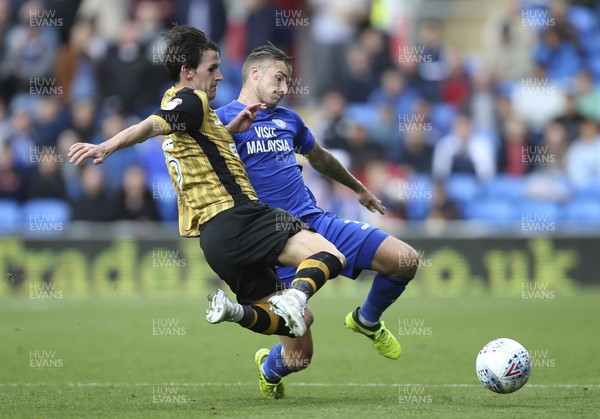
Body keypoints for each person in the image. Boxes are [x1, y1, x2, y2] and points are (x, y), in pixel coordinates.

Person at [68, 25, 346, 344]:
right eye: (212, 68)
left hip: (214, 241)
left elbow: (195, 145)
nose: (220, 76)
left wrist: (227, 130)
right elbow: (153, 124)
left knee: (296, 323)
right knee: (330, 255)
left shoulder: (188, 110)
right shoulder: (192, 101)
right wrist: (106, 146)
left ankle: (233, 311)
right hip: (240, 214)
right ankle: (296, 297)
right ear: (187, 72)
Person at [216, 44, 419, 398]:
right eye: (278, 79)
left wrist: (358, 188)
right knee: (299, 358)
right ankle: (269, 369)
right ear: (254, 73)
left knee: (405, 261)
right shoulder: (222, 120)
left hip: (318, 222)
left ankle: (366, 320)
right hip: (274, 241)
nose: (283, 88)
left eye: (288, 82)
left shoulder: (289, 120)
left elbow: (320, 157)